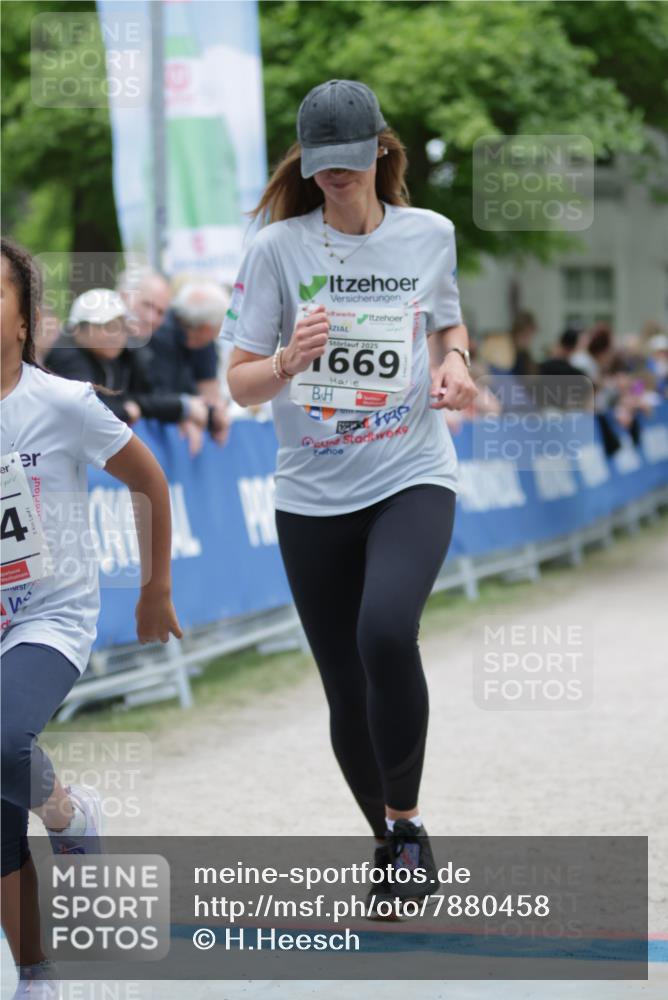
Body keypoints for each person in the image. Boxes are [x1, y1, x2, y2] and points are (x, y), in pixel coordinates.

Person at [222, 79, 477, 915]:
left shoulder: (428, 234)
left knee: (386, 629)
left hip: (410, 471)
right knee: (344, 687)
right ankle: (393, 841)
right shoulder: (275, 251)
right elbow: (240, 386)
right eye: (320, 166)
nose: (337, 177)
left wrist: (456, 362)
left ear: (379, 149)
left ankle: (403, 819)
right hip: (311, 497)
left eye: (350, 162)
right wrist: (288, 362)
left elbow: (446, 321)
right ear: (307, 162)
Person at [0, 239, 183, 998]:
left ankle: (63, 810)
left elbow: (148, 479)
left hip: (51, 613)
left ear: (22, 320)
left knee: (3, 737)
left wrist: (155, 589)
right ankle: (35, 971)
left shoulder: (63, 403)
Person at [46, 289, 211, 453]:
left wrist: (184, 411)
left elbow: (149, 394)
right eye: (107, 325)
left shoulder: (127, 353)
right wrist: (125, 410)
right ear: (77, 329)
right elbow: (88, 407)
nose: (116, 334)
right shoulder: (66, 355)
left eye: (122, 325)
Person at [151, 281, 231, 452]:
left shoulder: (203, 342)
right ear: (205, 329)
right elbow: (162, 395)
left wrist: (215, 413)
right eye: (218, 329)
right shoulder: (160, 335)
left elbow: (211, 393)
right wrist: (186, 412)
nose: (218, 335)